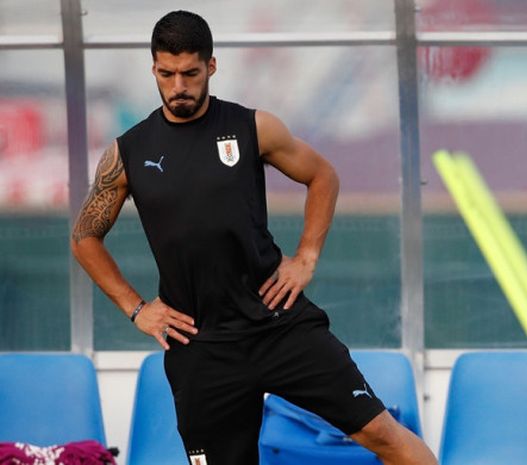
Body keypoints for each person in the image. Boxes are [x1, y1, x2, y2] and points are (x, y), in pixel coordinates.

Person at [70, 10, 438, 465]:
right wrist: (137, 309)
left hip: (278, 322)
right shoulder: (128, 152)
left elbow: (322, 175)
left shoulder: (252, 127)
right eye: (166, 74)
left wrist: (306, 256)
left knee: (381, 434)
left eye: (189, 72)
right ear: (154, 70)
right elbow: (85, 237)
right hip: (200, 345)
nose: (178, 85)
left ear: (211, 66)